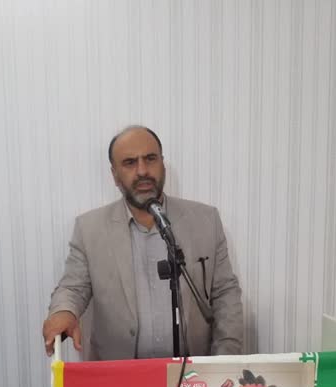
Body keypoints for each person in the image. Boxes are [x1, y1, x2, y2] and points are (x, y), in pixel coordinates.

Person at [42, 126, 244, 360]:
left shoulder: (205, 221)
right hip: (120, 374)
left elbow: (225, 294)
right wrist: (63, 311)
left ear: (162, 164)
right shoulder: (89, 229)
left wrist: (224, 360)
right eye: (129, 163)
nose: (142, 171)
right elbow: (72, 288)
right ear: (115, 175)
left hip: (193, 375)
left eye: (150, 159)